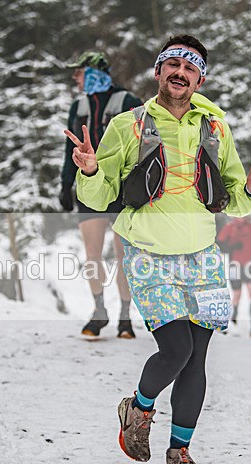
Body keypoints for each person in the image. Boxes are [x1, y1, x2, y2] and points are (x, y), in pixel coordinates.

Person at [65, 35, 251, 464]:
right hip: (148, 254)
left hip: (203, 257)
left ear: (200, 80)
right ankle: (139, 408)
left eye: (190, 67)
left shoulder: (216, 128)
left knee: (197, 359)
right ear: (158, 72)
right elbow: (101, 196)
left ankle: (180, 453)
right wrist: (90, 170)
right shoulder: (129, 125)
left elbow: (233, 198)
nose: (180, 73)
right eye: (173, 64)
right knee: (176, 350)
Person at [60, 51, 143, 338]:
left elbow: (145, 144)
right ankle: (99, 312)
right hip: (89, 187)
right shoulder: (78, 106)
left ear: (94, 72)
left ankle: (125, 317)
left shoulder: (127, 102)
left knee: (123, 256)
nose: (75, 77)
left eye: (79, 72)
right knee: (92, 255)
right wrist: (65, 184)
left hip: (123, 191)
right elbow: (69, 149)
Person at [218, 216, 251, 339]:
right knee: (236, 295)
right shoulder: (229, 227)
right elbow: (219, 245)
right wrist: (232, 247)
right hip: (235, 265)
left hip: (250, 264)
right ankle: (232, 324)